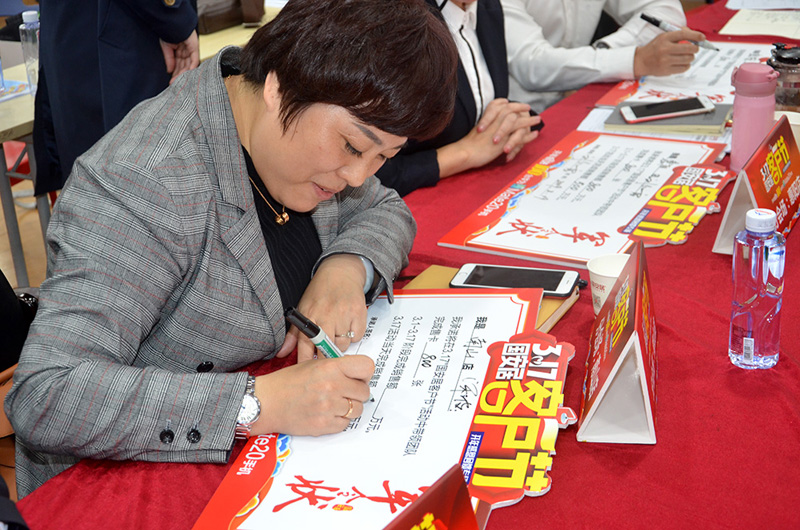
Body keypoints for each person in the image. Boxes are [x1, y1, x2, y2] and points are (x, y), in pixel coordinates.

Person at [5, 0, 458, 498]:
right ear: (279, 87)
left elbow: (386, 209)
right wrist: (256, 403)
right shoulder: (146, 180)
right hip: (119, 484)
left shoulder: (294, 127)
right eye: (353, 147)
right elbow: (48, 393)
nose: (357, 175)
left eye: (384, 156)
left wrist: (345, 269)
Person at [32, 0, 200, 195]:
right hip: (124, 40)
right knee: (139, 189)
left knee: (92, 193)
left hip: (72, 39)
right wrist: (176, 19)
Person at [375, 0, 541, 197]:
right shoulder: (395, 19)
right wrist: (464, 154)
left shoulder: (488, 8)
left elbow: (475, 107)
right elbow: (368, 170)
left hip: (477, 187)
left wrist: (511, 119)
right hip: (413, 200)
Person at [500, 0, 708, 113]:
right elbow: (532, 65)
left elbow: (665, 9)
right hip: (519, 112)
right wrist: (634, 60)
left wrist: (605, 52)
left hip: (584, 92)